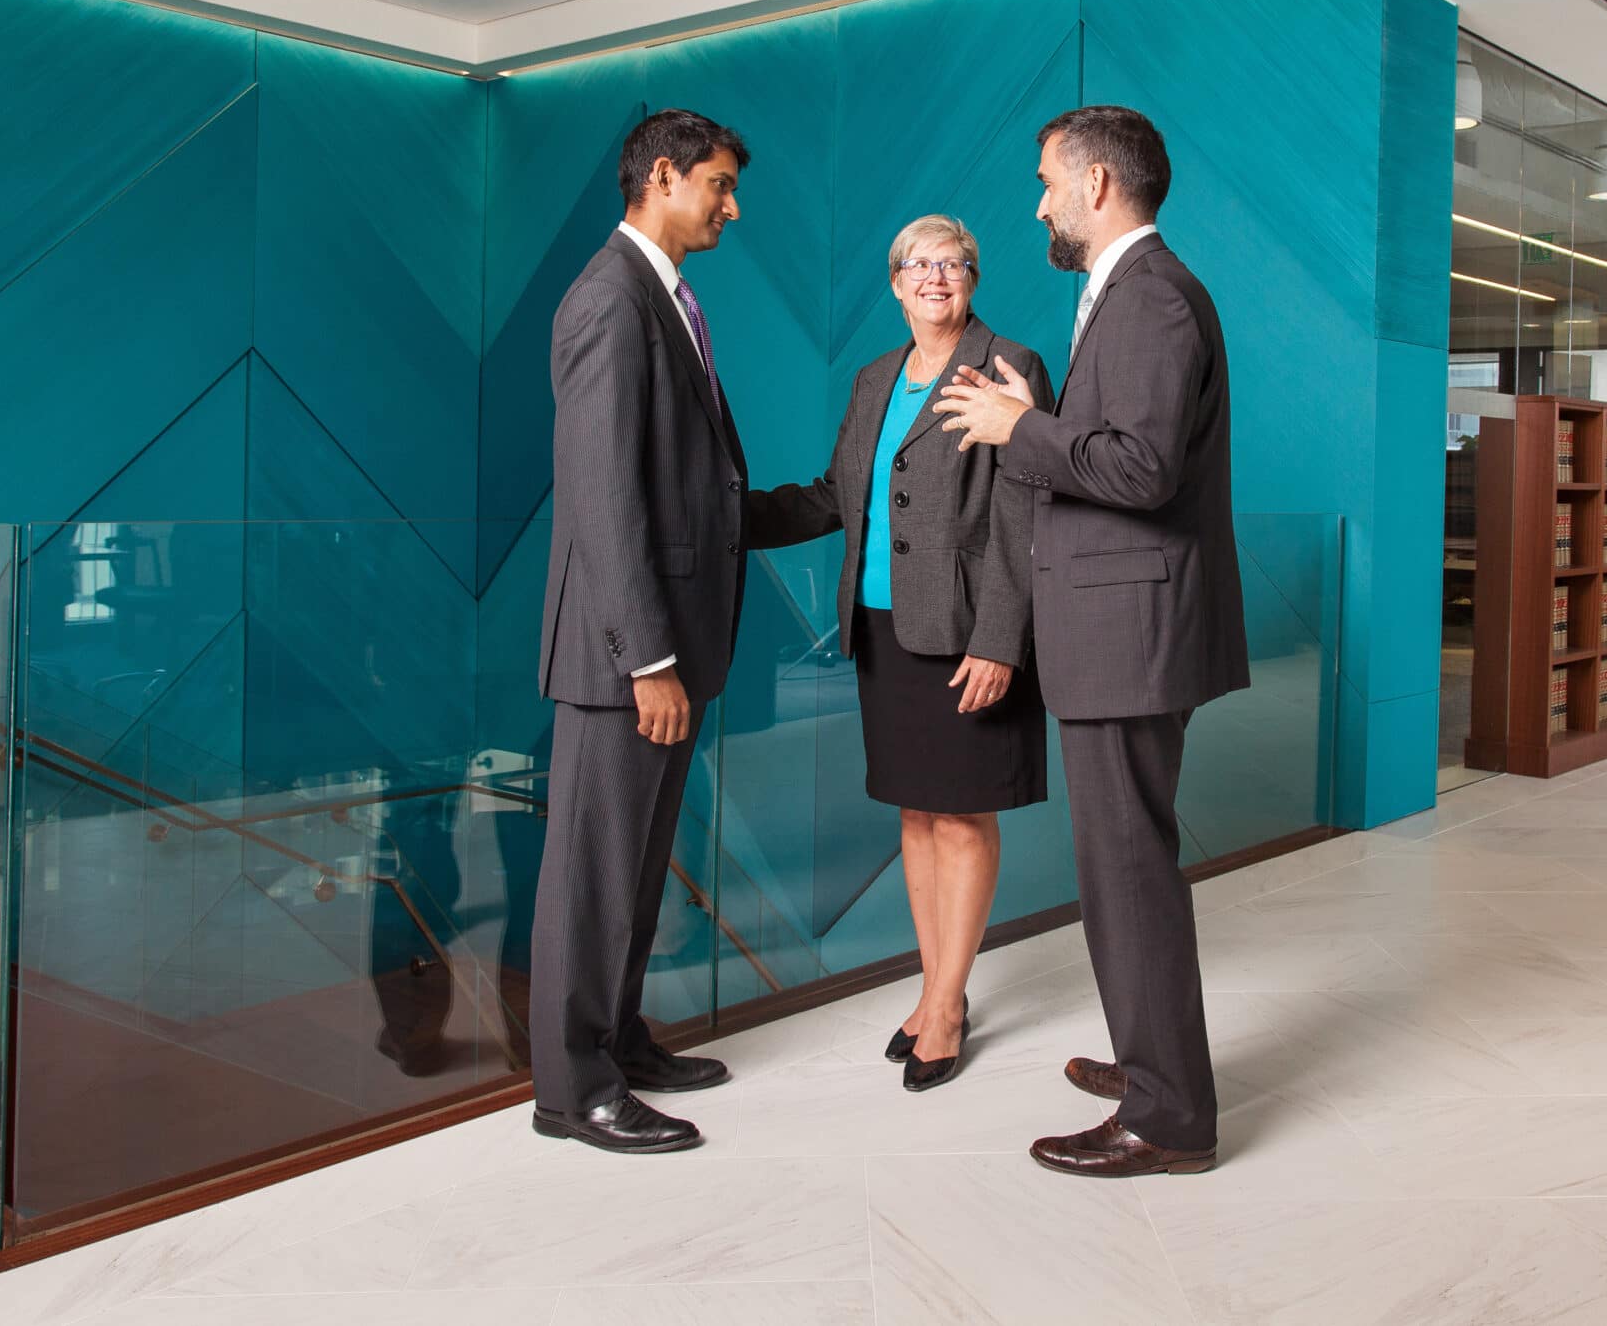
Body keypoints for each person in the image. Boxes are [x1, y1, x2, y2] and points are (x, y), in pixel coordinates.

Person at [934, 104, 1248, 1179]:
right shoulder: (1124, 294)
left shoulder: (1151, 297)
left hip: (1130, 631)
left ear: (1098, 186)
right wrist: (1040, 415)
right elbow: (1112, 445)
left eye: (1047, 182)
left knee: (1127, 871)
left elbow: (1142, 471)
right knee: (1121, 868)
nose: (1039, 203)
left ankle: (1167, 1117)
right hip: (1120, 625)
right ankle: (1150, 1060)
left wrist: (1018, 430)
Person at [745, 216, 1053, 1091]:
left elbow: (1025, 517)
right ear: (894, 283)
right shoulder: (876, 378)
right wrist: (726, 519)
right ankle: (933, 987)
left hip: (965, 637)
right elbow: (835, 496)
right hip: (884, 631)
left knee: (961, 817)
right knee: (916, 817)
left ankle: (950, 1005)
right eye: (917, 265)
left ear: (974, 276)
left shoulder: (1009, 366)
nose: (934, 277)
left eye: (951, 263)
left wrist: (1002, 640)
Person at [528, 109, 752, 1155]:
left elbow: (691, 486)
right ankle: (573, 1090)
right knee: (593, 872)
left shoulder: (664, 297)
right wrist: (646, 660)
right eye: (718, 185)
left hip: (667, 644)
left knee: (637, 862)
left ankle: (617, 1038)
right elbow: (602, 495)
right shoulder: (609, 301)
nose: (730, 206)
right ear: (662, 177)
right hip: (627, 657)